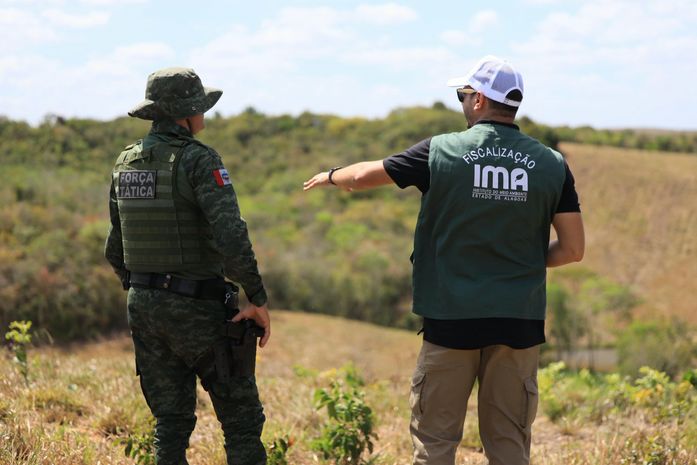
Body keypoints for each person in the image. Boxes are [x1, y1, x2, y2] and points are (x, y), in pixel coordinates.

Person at [303, 55, 584, 465]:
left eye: (462, 94)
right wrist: (516, 261)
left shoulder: (441, 151)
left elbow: (364, 177)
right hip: (519, 320)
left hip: (452, 317)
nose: (461, 102)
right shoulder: (552, 164)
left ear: (480, 100)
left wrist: (330, 176)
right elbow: (573, 249)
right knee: (509, 444)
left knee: (435, 443)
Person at [105, 67, 270, 465]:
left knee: (171, 421)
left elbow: (115, 247)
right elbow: (231, 235)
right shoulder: (198, 159)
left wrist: (145, 289)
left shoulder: (126, 161)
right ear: (187, 113)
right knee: (242, 421)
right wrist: (257, 297)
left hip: (142, 306)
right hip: (198, 308)